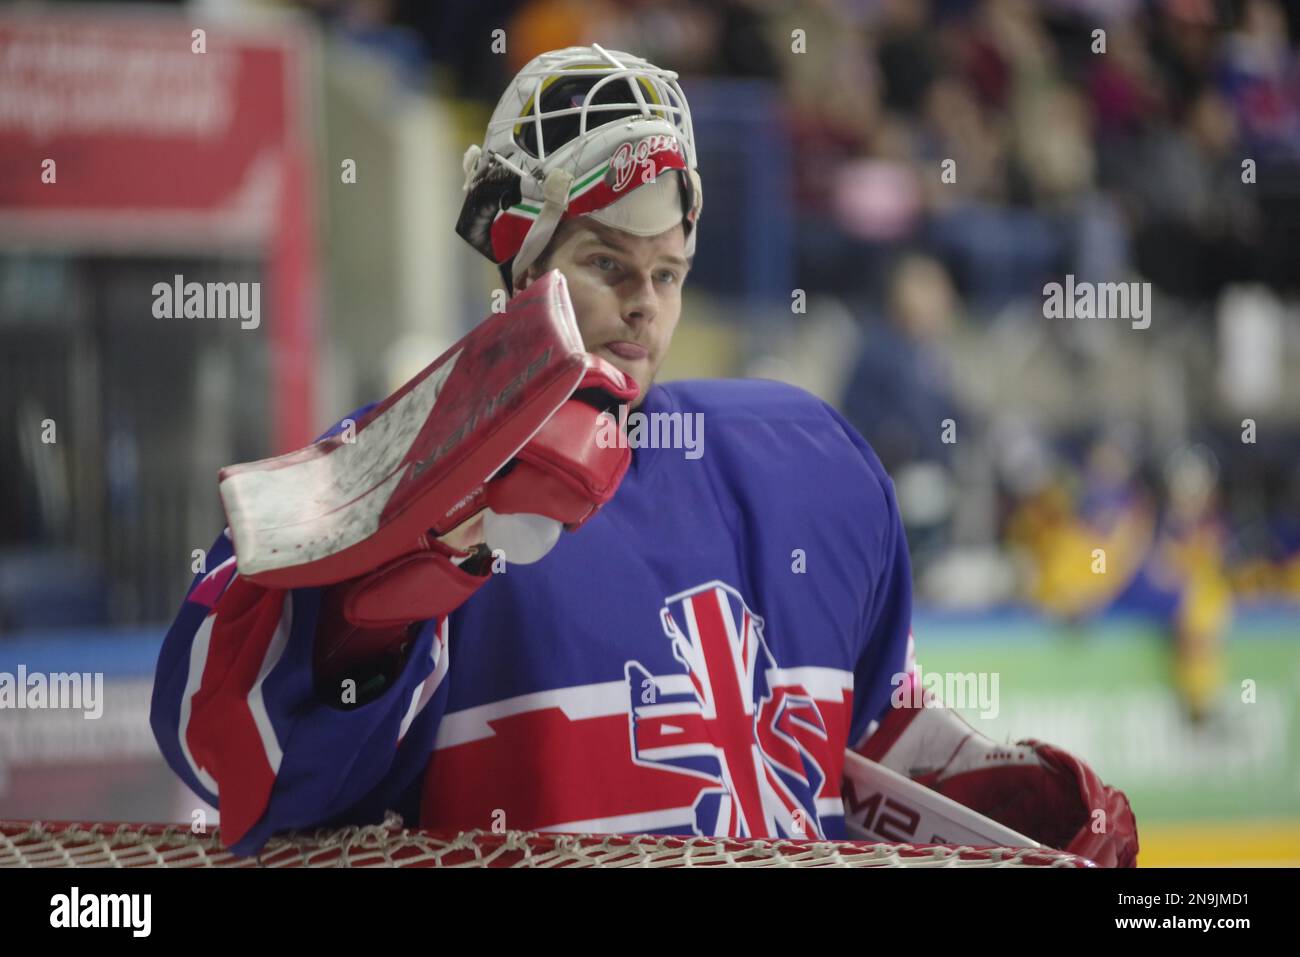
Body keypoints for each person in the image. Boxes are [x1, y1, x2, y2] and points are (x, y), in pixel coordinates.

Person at [151, 45, 1137, 865]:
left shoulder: (805, 465)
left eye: (666, 273)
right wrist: (378, 606)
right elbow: (223, 752)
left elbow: (865, 741)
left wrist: (1002, 809)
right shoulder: (401, 473)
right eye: (606, 265)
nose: (644, 305)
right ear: (519, 262)